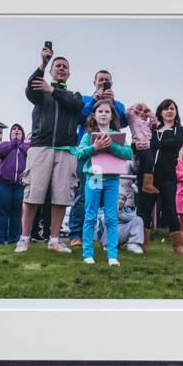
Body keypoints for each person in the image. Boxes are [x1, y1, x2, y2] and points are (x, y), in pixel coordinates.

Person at [16, 45, 83, 254]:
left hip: (65, 150)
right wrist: (42, 63)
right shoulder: (40, 91)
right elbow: (30, 87)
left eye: (65, 67)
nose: (61, 69)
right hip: (40, 148)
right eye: (58, 66)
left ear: (69, 73)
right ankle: (24, 238)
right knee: (32, 194)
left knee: (61, 196)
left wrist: (52, 90)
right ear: (52, 71)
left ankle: (54, 240)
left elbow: (75, 106)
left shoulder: (74, 95)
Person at [67, 69, 127, 246]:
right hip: (89, 154)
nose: (103, 82)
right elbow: (79, 118)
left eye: (107, 80)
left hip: (110, 154)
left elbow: (122, 121)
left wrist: (112, 102)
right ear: (94, 82)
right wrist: (94, 99)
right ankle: (76, 235)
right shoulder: (85, 100)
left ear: (111, 83)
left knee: (108, 196)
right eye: (100, 80)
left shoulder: (118, 104)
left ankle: (102, 236)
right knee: (83, 195)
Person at [70, 99, 132, 266]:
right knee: (90, 216)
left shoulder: (117, 135)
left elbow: (128, 153)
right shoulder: (88, 135)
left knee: (111, 218)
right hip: (95, 177)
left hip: (112, 179)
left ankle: (113, 255)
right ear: (94, 115)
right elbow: (79, 154)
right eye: (100, 111)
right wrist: (94, 148)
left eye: (107, 111)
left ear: (112, 116)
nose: (103, 114)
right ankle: (87, 254)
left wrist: (112, 147)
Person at [138, 99, 183, 254]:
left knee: (170, 208)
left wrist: (151, 144)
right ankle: (141, 244)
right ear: (160, 112)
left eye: (172, 108)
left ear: (176, 112)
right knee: (144, 209)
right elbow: (139, 141)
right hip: (148, 175)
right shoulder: (152, 129)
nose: (169, 111)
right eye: (166, 109)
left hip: (167, 175)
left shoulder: (179, 130)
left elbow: (175, 143)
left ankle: (178, 246)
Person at [0, 123, 30, 245]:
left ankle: (14, 240)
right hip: (2, 183)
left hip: (19, 184)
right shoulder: (5, 145)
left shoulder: (27, 146)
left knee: (16, 213)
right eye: (14, 129)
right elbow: (1, 152)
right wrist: (14, 141)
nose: (16, 130)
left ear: (23, 134)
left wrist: (19, 142)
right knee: (1, 211)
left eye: (19, 129)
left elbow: (28, 153)